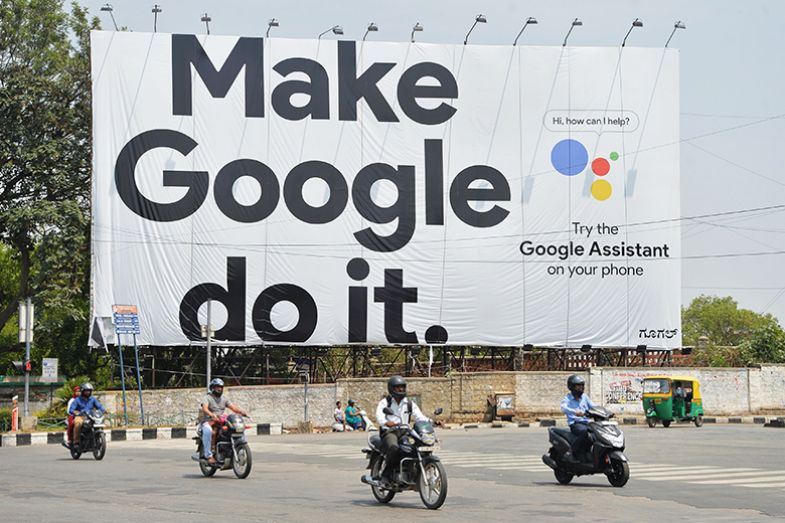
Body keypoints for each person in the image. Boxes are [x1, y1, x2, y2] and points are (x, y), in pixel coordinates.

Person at [375, 375, 428, 485]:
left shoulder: (409, 403)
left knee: (415, 447)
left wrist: (432, 421)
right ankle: (386, 474)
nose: (401, 389)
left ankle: (411, 472)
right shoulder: (385, 402)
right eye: (397, 387)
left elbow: (420, 417)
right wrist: (386, 423)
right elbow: (379, 415)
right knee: (393, 448)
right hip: (390, 432)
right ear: (391, 389)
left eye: (402, 387)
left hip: (404, 432)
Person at [199, 378, 248, 465]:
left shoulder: (224, 399)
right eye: (217, 387)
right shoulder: (207, 398)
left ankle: (238, 448)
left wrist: (241, 412)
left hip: (220, 421)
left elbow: (233, 407)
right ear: (212, 388)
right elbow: (204, 408)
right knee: (209, 431)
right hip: (208, 421)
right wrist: (211, 414)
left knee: (235, 429)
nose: (219, 389)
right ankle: (209, 455)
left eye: (221, 387)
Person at [559, 375, 595, 462]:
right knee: (584, 432)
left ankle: (590, 454)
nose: (581, 388)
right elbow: (563, 408)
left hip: (587, 423)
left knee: (598, 433)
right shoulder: (567, 398)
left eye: (582, 386)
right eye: (578, 386)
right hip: (575, 424)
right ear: (571, 387)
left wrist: (606, 411)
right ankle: (570, 452)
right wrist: (575, 412)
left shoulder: (585, 397)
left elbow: (593, 406)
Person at [67, 383, 107, 449]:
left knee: (99, 423)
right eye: (86, 391)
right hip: (80, 416)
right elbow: (71, 409)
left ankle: (96, 438)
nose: (88, 392)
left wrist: (104, 411)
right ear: (82, 391)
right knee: (78, 423)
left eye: (89, 391)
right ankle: (76, 441)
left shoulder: (93, 399)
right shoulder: (77, 400)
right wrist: (75, 412)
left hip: (91, 416)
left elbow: (99, 406)